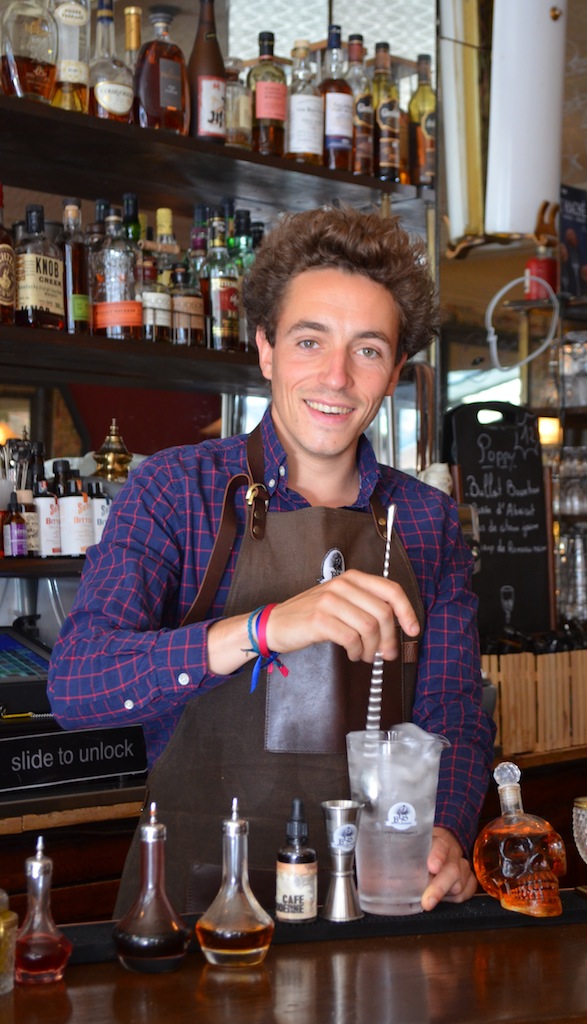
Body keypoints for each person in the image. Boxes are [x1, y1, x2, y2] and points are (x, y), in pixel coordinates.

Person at [47, 204, 496, 915]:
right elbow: (76, 688)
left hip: (372, 904)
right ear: (265, 348)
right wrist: (263, 629)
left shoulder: (425, 519)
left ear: (395, 372)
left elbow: (453, 716)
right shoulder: (175, 489)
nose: (338, 377)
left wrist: (448, 827)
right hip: (192, 913)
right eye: (310, 341)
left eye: (368, 350)